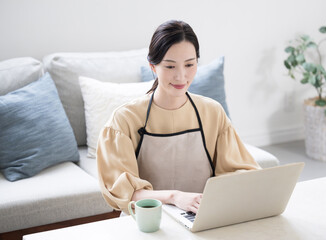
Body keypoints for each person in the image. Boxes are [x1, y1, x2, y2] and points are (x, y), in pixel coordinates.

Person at [96, 20, 261, 215]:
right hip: (147, 221)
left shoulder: (212, 113)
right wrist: (174, 197)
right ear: (152, 66)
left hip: (201, 217)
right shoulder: (124, 120)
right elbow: (122, 193)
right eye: (170, 67)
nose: (181, 76)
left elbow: (242, 173)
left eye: (189, 64)